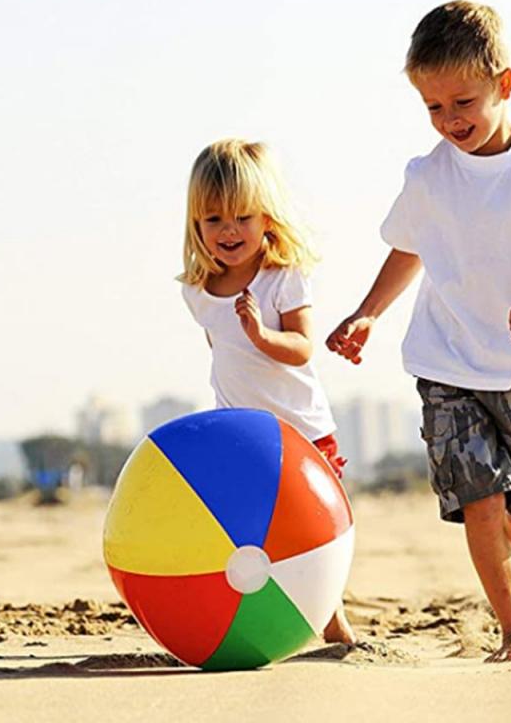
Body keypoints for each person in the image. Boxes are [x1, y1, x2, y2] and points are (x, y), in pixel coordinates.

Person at [326, 0, 511, 662]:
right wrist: (367, 312)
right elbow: (409, 248)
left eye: (462, 102)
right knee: (479, 498)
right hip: (447, 366)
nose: (450, 121)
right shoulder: (428, 176)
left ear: (505, 83)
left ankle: (510, 539)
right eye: (433, 108)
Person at [179, 138, 355, 645]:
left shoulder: (282, 279)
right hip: (243, 437)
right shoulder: (197, 293)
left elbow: (302, 347)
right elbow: (222, 357)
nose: (229, 231)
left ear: (267, 220)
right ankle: (252, 617)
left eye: (242, 217)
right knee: (250, 533)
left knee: (316, 530)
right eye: (214, 220)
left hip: (302, 431)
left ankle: (332, 618)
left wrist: (261, 336)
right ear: (197, 226)